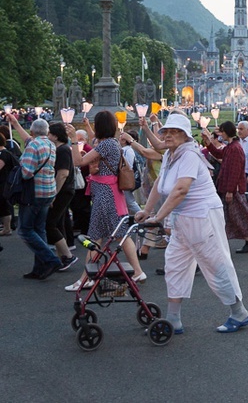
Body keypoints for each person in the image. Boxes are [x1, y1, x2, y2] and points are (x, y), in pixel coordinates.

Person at [135, 114, 248, 333]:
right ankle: (173, 319)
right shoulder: (171, 154)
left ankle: (239, 312)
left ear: (184, 135)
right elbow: (161, 183)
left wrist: (158, 217)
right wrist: (147, 210)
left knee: (214, 264)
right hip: (182, 219)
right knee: (174, 264)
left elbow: (181, 189)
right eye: (166, 131)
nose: (167, 135)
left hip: (201, 217)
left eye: (173, 132)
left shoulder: (189, 154)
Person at [64, 111, 146, 291]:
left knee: (113, 235)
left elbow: (78, 161)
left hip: (105, 195)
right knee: (102, 237)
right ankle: (88, 277)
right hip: (107, 193)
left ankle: (89, 277)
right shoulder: (112, 143)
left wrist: (73, 140)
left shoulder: (106, 144)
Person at [7, 115, 61, 279]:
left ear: (32, 131)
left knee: (25, 230)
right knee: (39, 229)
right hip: (48, 191)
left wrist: (18, 167)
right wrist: (15, 124)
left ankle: (51, 259)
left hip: (34, 193)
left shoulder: (33, 145)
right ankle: (40, 267)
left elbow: (27, 172)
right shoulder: (51, 145)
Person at [203, 121, 248, 254]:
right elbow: (219, 154)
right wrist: (208, 143)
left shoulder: (234, 148)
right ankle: (247, 241)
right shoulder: (232, 146)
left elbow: (235, 171)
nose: (220, 134)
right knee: (237, 216)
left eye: (222, 132)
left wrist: (230, 190)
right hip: (232, 189)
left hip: (233, 190)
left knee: (238, 216)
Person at [45, 122, 78, 271]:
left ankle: (67, 255)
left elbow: (63, 173)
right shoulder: (62, 149)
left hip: (63, 191)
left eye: (49, 134)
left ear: (55, 136)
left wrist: (54, 193)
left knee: (50, 223)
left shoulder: (62, 150)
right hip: (65, 190)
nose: (47, 136)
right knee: (58, 222)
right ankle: (61, 256)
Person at [0, 132, 17, 238]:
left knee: (4, 206)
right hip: (4, 183)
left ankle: (7, 228)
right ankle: (6, 227)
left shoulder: (4, 154)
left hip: (3, 183)